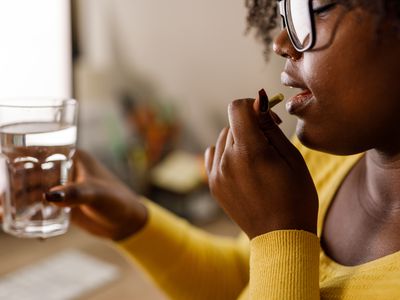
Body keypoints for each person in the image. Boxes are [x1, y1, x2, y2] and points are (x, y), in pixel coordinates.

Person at [41, 0, 400, 298]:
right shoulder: (322, 162)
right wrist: (131, 221)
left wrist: (280, 231)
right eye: (286, 12)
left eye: (314, 10)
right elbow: (242, 281)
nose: (280, 42)